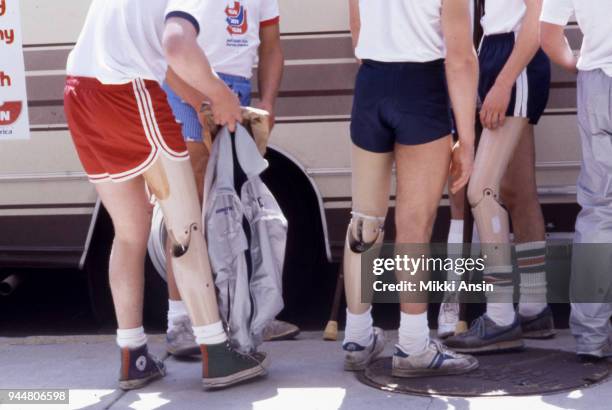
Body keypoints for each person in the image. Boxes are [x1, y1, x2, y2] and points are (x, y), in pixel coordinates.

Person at [64, 0, 268, 390]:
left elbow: (154, 52)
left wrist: (195, 98)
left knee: (129, 232)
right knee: (186, 228)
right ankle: (216, 351)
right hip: (128, 94)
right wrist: (220, 94)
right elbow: (175, 45)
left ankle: (133, 355)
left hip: (80, 92)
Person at [342, 0, 479, 376]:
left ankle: (356, 338)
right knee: (414, 226)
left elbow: (357, 28)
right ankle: (414, 346)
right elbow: (461, 58)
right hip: (421, 87)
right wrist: (466, 140)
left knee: (364, 222)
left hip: (370, 82)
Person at [160, 0, 299, 358]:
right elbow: (164, 47)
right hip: (189, 83)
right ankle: (180, 320)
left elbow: (271, 46)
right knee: (189, 204)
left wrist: (268, 100)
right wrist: (197, 99)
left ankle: (243, 314)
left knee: (235, 204)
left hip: (237, 87)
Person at [444, 0, 554, 353]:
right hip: (497, 49)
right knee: (518, 191)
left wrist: (504, 82)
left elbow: (537, 23)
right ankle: (535, 309)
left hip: (514, 57)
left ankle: (500, 316)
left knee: (481, 190)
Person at [540, 0, 612, 359]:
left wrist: (580, 65)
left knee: (600, 211)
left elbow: (549, 36)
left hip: (598, 83)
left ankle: (591, 339)